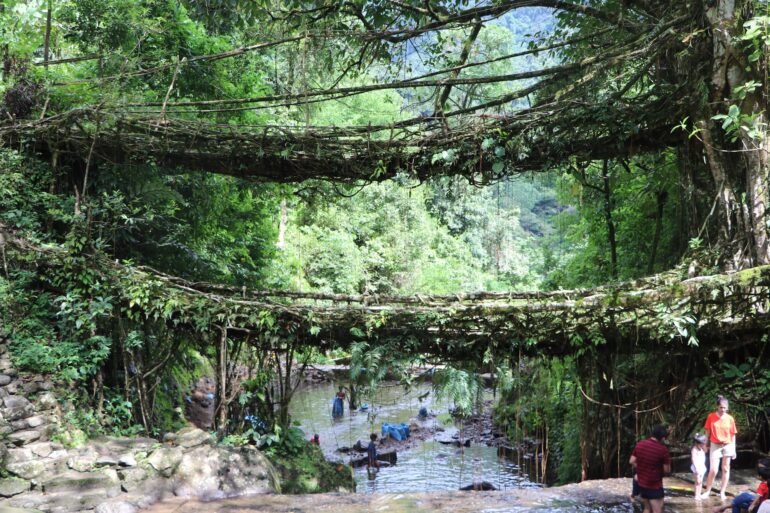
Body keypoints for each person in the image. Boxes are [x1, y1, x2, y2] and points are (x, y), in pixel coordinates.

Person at [629, 425, 671, 513]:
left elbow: (632, 461)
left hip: (642, 483)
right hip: (654, 485)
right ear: (663, 438)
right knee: (657, 510)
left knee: (647, 508)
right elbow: (667, 470)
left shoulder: (640, 444)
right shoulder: (663, 450)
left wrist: (641, 468)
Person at [703, 395, 738, 500]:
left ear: (727, 408)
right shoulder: (711, 417)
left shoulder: (730, 418)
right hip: (715, 444)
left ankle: (722, 492)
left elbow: (733, 434)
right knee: (713, 469)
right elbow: (707, 432)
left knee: (726, 469)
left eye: (724, 408)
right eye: (721, 407)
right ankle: (707, 491)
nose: (723, 409)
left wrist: (734, 450)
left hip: (728, 445)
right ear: (717, 407)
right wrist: (705, 445)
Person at [692, 433, 708, 499]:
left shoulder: (702, 448)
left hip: (702, 467)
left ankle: (699, 494)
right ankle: (696, 494)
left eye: (703, 444)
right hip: (696, 467)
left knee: (701, 481)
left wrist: (704, 447)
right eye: (701, 444)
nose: (702, 445)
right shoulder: (694, 449)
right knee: (697, 481)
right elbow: (693, 459)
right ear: (696, 443)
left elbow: (706, 451)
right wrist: (696, 469)